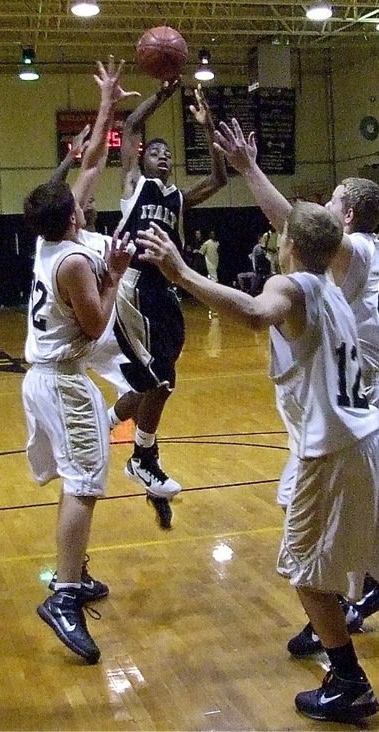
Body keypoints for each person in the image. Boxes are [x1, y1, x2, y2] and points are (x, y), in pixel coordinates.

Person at [135, 202, 379, 725]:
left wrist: (181, 273)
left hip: (331, 451)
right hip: (375, 442)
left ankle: (349, 681)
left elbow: (257, 315)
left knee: (306, 573)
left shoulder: (293, 286)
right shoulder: (335, 291)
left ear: (291, 246)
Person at [212, 118, 379, 652]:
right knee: (313, 506)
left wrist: (248, 168)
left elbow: (291, 226)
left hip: (361, 396)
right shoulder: (357, 254)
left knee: (312, 510)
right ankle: (357, 590)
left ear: (345, 217)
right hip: (354, 391)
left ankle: (350, 601)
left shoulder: (360, 248)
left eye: (333, 200)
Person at [104, 80, 228, 522]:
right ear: (142, 158)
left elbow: (219, 176)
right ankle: (142, 458)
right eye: (157, 152)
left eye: (168, 155)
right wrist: (163, 94)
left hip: (166, 290)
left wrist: (206, 122)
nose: (164, 157)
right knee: (159, 382)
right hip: (135, 287)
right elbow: (131, 123)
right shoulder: (134, 184)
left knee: (156, 381)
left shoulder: (177, 198)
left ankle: (107, 421)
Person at [22, 175, 133, 663]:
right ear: (73, 216)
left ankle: (75, 572)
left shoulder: (47, 246)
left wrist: (106, 105)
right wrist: (115, 275)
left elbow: (84, 172)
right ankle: (64, 594)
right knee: (84, 485)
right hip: (64, 381)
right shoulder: (72, 261)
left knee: (76, 481)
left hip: (45, 377)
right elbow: (96, 323)